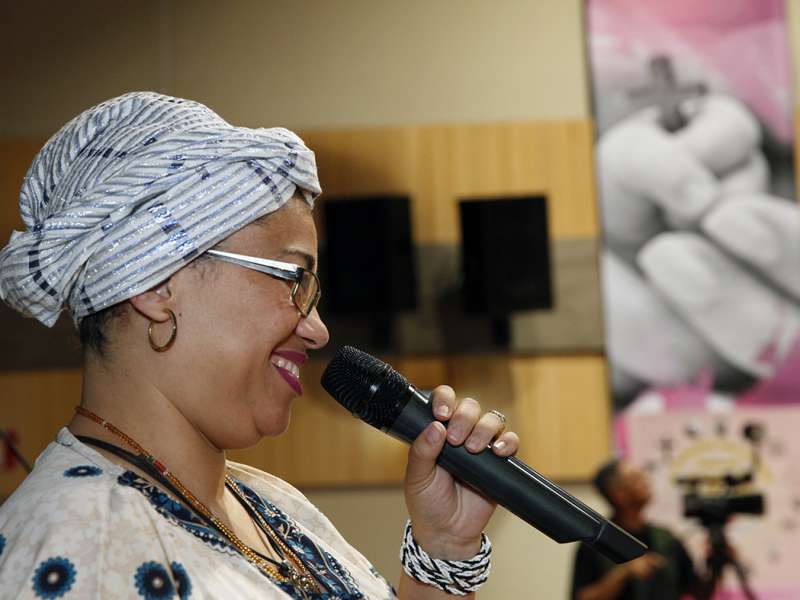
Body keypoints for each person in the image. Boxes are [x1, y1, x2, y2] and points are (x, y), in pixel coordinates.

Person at [0, 92, 519, 599]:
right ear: (155, 284)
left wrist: (444, 552)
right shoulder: (78, 544)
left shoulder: (268, 502)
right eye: (293, 278)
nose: (317, 330)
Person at [571, 459, 702, 600]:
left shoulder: (666, 538)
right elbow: (581, 597)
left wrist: (714, 560)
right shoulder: (596, 543)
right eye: (636, 478)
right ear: (618, 494)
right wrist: (623, 574)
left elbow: (698, 592)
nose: (645, 481)